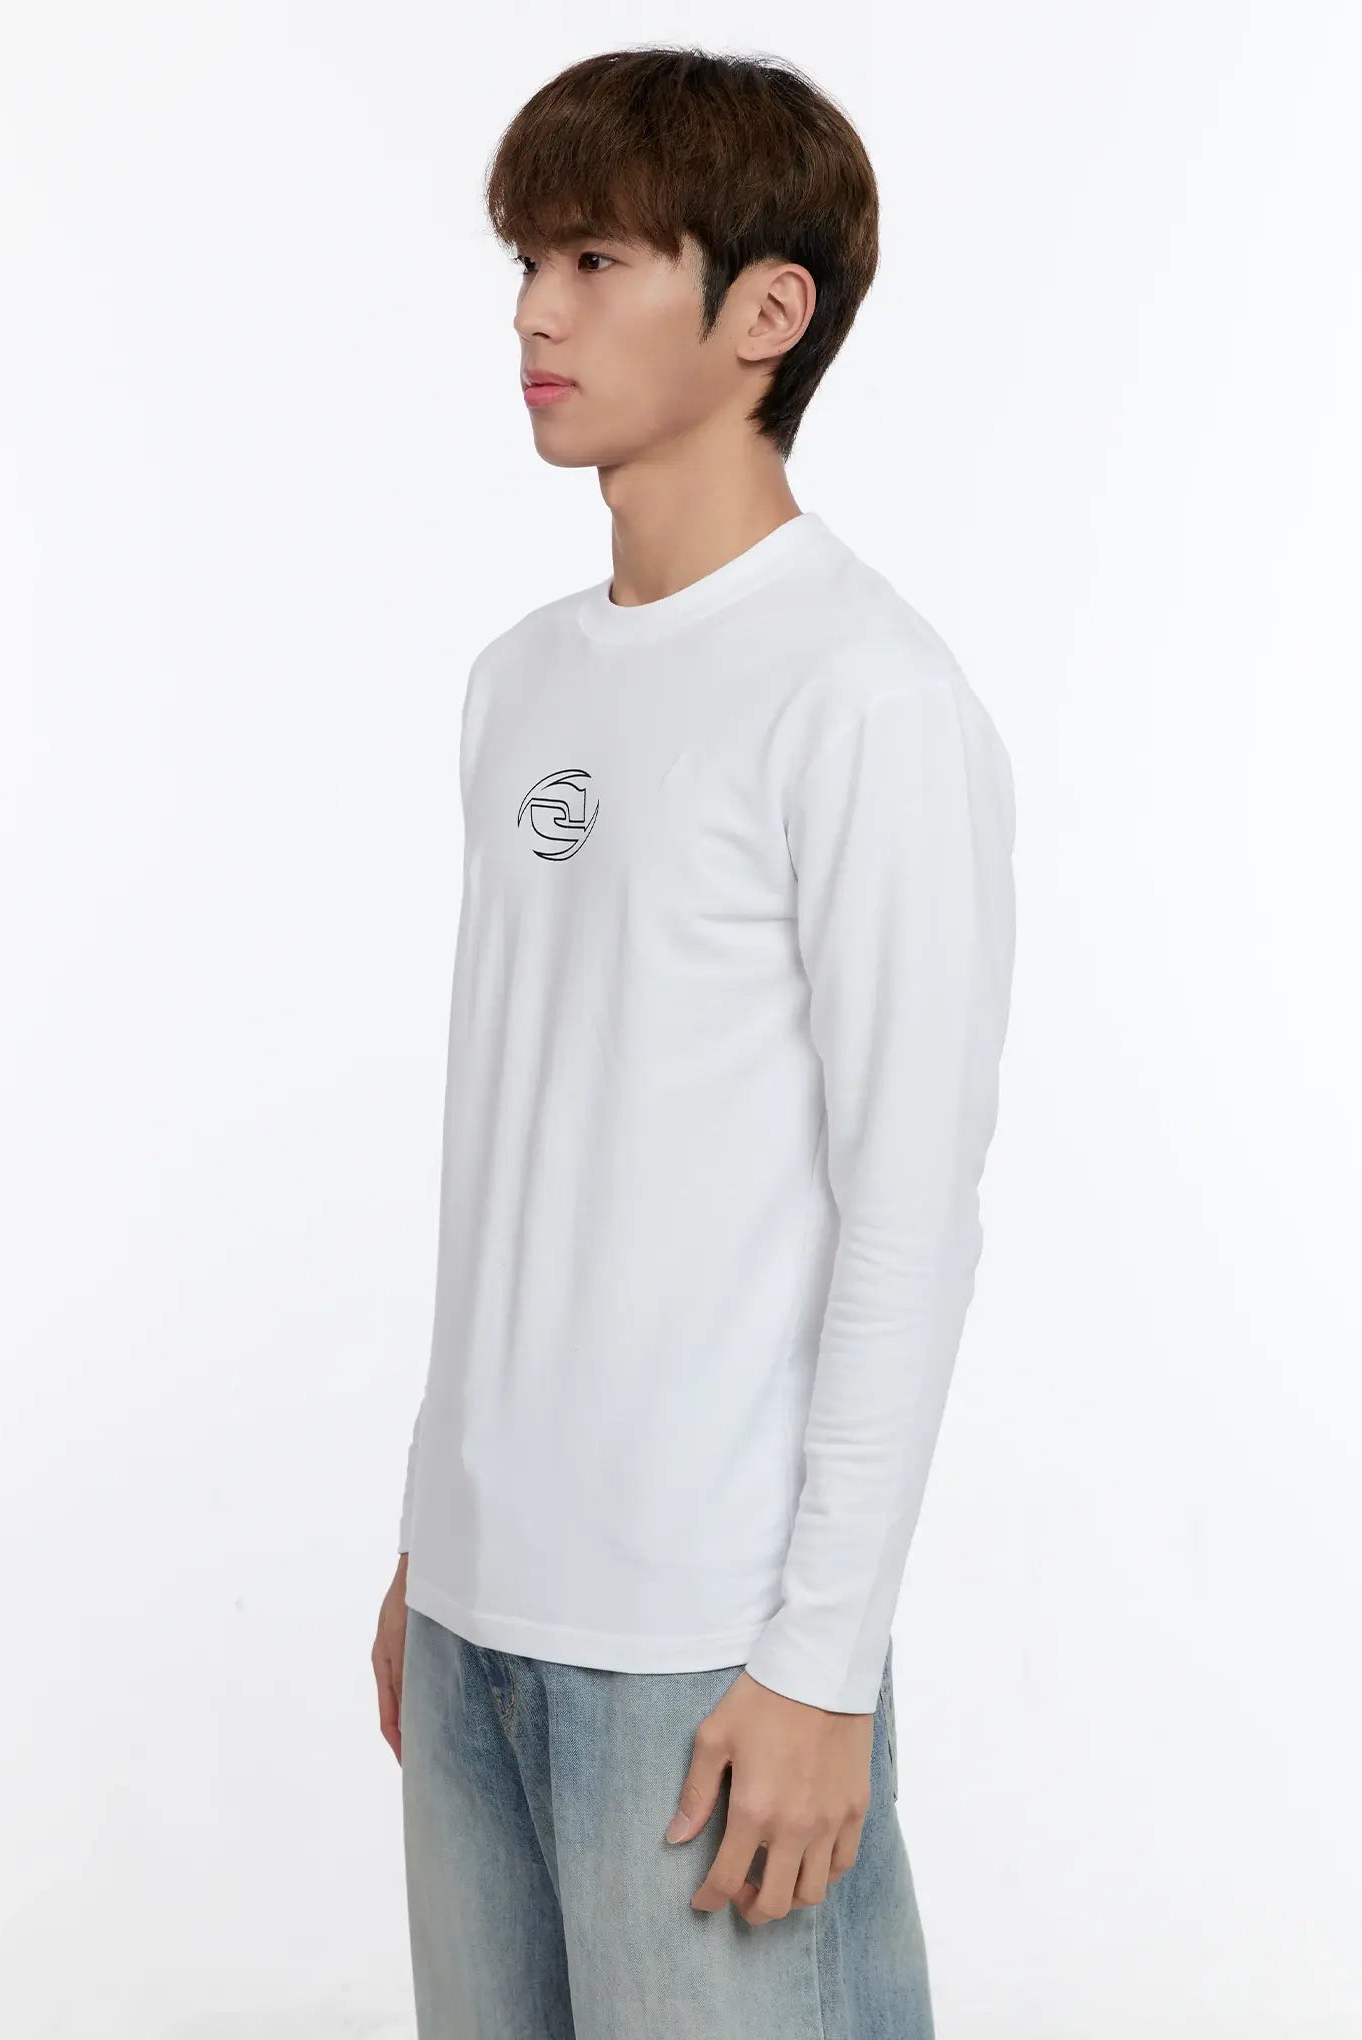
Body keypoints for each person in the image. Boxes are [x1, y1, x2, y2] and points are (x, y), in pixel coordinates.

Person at [369, 45, 1017, 2037]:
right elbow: (520, 1148)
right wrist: (428, 1545)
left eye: (592, 260)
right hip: (475, 1621)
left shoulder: (864, 697)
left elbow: (909, 1206)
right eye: (525, 262)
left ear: (764, 311)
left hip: (709, 1654)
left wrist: (821, 1661)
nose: (533, 315)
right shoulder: (520, 683)